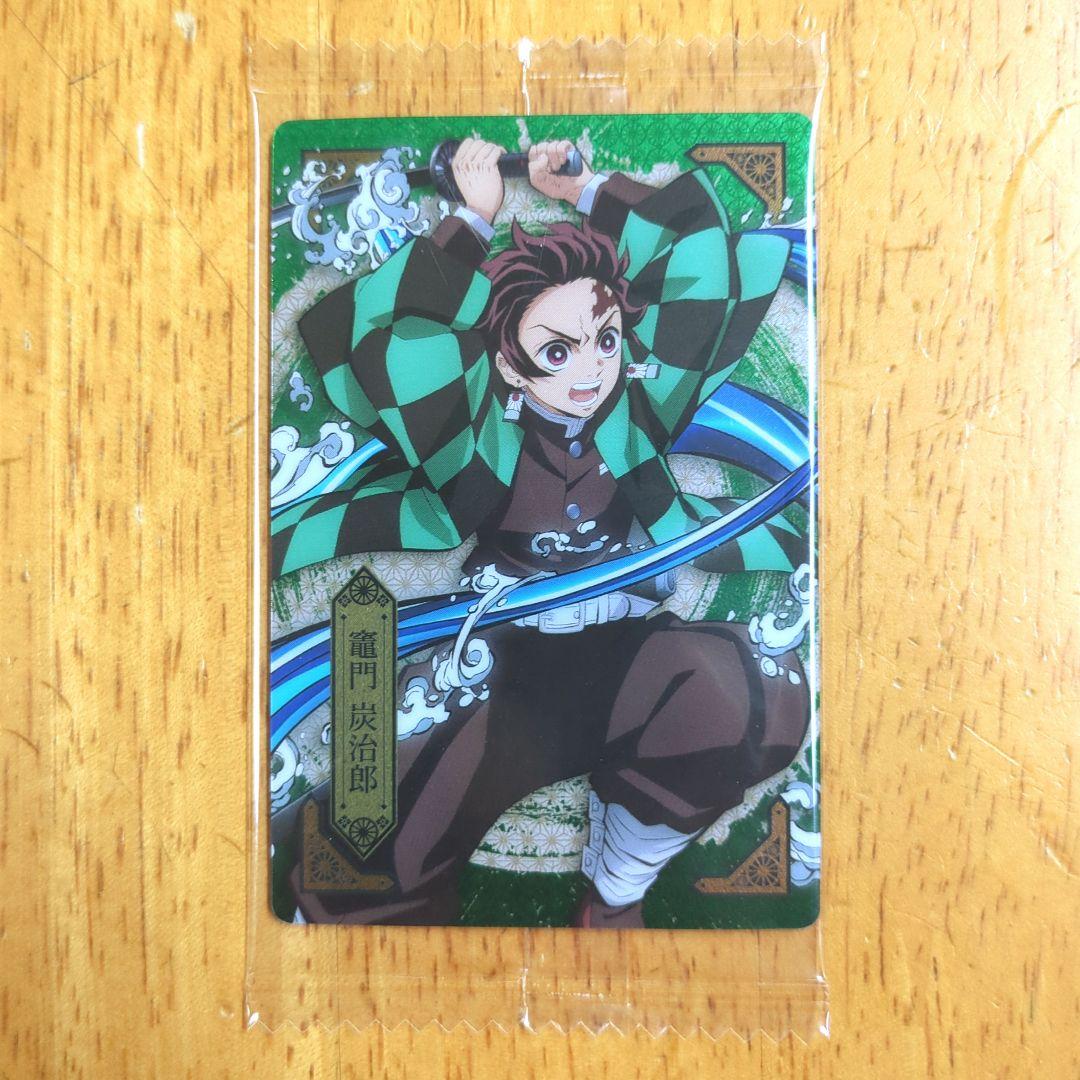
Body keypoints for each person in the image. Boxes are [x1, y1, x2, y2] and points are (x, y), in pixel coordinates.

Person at [276, 138, 810, 927]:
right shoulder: (472, 433)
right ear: (508, 364)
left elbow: (701, 254)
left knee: (754, 696)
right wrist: (470, 219)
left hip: (627, 657)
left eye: (604, 340)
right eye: (557, 351)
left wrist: (585, 188)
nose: (590, 371)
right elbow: (382, 337)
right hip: (503, 673)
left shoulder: (637, 409)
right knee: (374, 854)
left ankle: (618, 886)